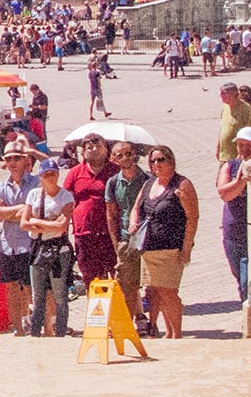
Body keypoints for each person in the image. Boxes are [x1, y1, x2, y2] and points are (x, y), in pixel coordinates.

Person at [130, 145, 198, 338]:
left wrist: (186, 249)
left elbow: (192, 218)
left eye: (161, 160)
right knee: (156, 292)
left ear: (172, 161)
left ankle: (177, 334)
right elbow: (137, 207)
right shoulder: (149, 183)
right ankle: (168, 333)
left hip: (170, 247)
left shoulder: (182, 185)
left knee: (168, 292)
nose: (156, 164)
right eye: (153, 161)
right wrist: (134, 223)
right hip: (149, 248)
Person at [22, 159, 76, 337]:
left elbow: (62, 226)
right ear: (40, 177)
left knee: (60, 294)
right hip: (38, 248)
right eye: (46, 174)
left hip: (58, 250)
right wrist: (48, 225)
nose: (50, 177)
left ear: (58, 174)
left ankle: (60, 331)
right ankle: (36, 332)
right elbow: (24, 223)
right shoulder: (34, 195)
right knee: (38, 295)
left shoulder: (65, 196)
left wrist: (36, 222)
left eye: (53, 173)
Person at [0, 148, 40, 335]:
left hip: (28, 243)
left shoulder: (36, 183)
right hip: (6, 244)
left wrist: (10, 211)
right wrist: (20, 210)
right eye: (8, 158)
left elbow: (33, 211)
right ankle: (18, 327)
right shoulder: (2, 186)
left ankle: (33, 324)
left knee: (29, 287)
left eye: (16, 158)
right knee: (11, 288)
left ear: (25, 160)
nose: (12, 162)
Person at [103, 141, 149, 326]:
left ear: (134, 154)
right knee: (127, 284)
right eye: (120, 155)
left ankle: (151, 322)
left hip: (147, 238)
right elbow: (111, 214)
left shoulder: (147, 179)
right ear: (113, 158)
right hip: (125, 239)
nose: (125, 158)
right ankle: (129, 324)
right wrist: (116, 242)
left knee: (151, 284)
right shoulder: (113, 183)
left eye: (128, 154)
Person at [63, 134, 117, 289]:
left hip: (110, 232)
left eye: (98, 146)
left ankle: (119, 310)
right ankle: (95, 309)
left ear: (106, 149)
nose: (94, 150)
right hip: (84, 232)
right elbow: (65, 201)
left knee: (116, 273)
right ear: (83, 152)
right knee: (90, 276)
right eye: (89, 148)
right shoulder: (75, 172)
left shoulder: (115, 171)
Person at [215, 129, 251, 302]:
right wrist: (241, 181)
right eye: (241, 145)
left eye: (249, 145)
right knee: (239, 276)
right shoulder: (231, 166)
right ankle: (247, 314)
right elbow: (224, 193)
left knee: (247, 280)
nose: (244, 149)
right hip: (234, 232)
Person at [216, 82, 251, 163]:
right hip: (224, 155)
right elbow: (222, 129)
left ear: (233, 94)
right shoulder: (225, 108)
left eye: (223, 93)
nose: (220, 95)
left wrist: (241, 155)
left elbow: (250, 133)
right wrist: (218, 148)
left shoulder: (245, 110)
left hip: (238, 157)